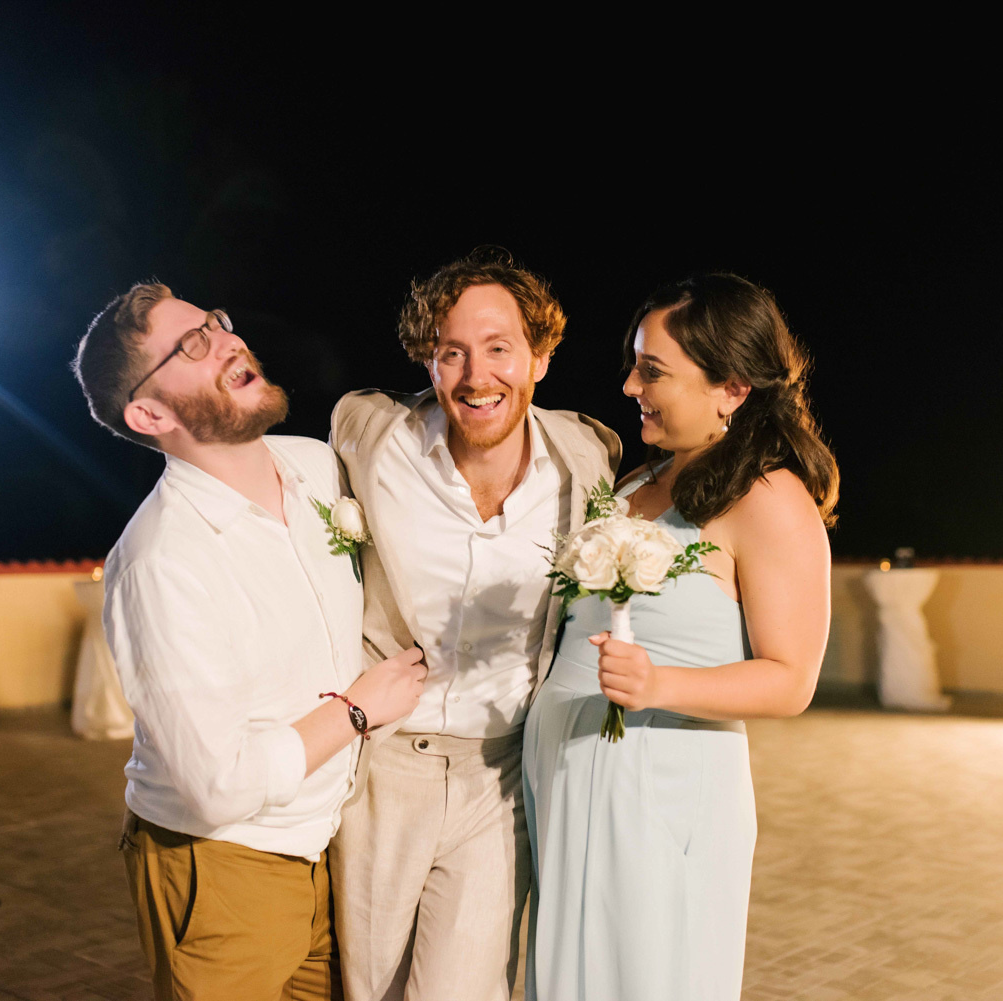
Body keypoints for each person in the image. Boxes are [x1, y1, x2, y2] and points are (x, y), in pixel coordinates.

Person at [71, 281, 427, 1001]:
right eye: (190, 344)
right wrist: (357, 710)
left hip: (330, 847)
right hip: (223, 866)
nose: (228, 340)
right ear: (150, 411)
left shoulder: (315, 466)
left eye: (215, 323)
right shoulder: (161, 560)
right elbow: (215, 785)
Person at [522, 272, 838, 1001]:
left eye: (653, 370)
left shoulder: (769, 498)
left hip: (661, 790)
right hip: (569, 781)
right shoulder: (638, 481)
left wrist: (660, 685)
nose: (630, 385)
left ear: (731, 386)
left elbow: (792, 678)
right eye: (635, 363)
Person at [328, 248, 621, 1001]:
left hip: (502, 776)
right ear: (428, 362)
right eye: (451, 352)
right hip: (384, 772)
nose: (475, 375)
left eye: (499, 348)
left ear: (541, 358)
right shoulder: (369, 436)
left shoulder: (586, 458)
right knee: (369, 988)